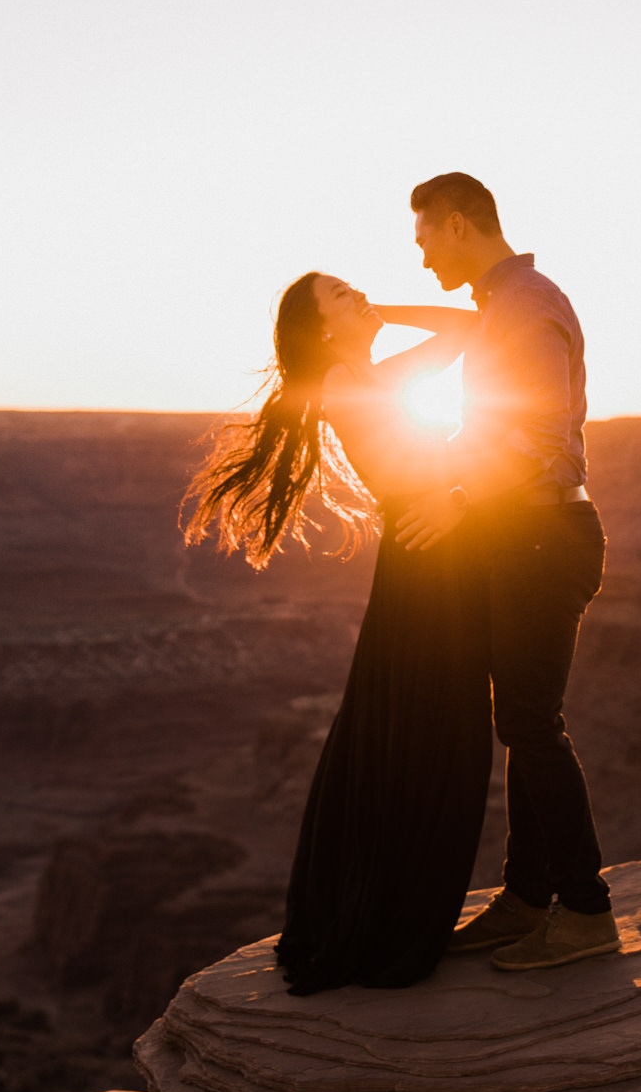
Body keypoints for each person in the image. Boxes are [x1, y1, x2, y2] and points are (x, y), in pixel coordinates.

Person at [182, 270, 492, 994]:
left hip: (432, 561)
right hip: (430, 564)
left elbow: (466, 330)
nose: (363, 296)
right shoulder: (354, 388)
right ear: (323, 330)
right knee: (432, 738)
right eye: (344, 296)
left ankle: (381, 915)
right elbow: (461, 348)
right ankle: (382, 927)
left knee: (418, 737)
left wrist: (373, 311)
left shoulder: (371, 376)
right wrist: (456, 497)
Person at [390, 171, 618, 972]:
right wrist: (378, 313)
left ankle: (585, 912)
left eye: (424, 242)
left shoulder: (520, 306)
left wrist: (457, 496)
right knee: (522, 723)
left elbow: (543, 431)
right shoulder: (507, 300)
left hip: (539, 535)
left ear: (457, 224)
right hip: (526, 535)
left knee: (531, 727)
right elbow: (460, 320)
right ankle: (526, 900)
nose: (421, 260)